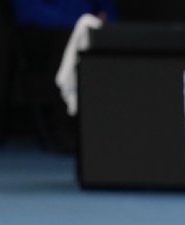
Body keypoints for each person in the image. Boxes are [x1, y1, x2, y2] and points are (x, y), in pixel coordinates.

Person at [9, 0, 117, 152]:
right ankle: (64, 126)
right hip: (43, 32)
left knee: (108, 39)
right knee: (66, 40)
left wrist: (102, 21)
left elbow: (107, 11)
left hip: (82, 28)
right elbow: (28, 11)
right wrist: (77, 25)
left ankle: (110, 128)